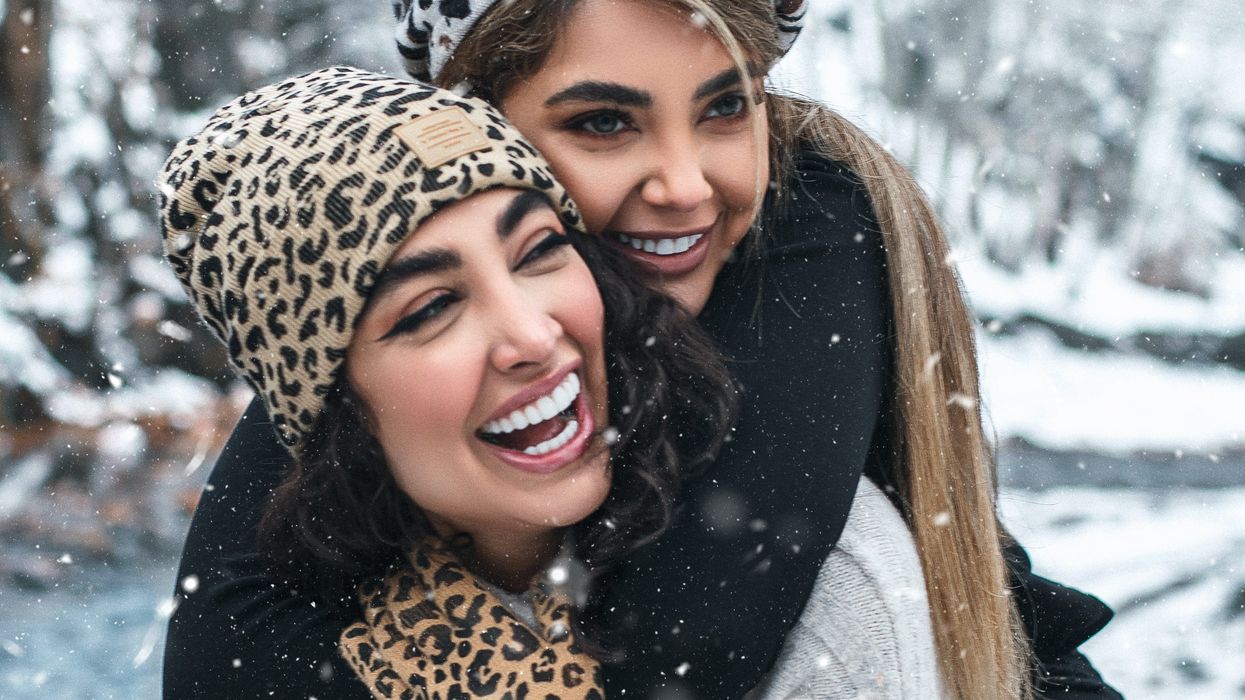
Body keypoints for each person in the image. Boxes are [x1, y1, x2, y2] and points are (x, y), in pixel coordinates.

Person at [165, 1, 1122, 698]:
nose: (685, 187)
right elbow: (228, 634)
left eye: (725, 107)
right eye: (603, 122)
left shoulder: (807, 232)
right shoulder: (352, 346)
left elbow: (687, 646)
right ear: (481, 125)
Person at [157, 66, 739, 696]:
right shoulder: (297, 650)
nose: (533, 337)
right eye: (431, 308)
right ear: (334, 407)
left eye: (539, 250)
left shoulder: (822, 602)